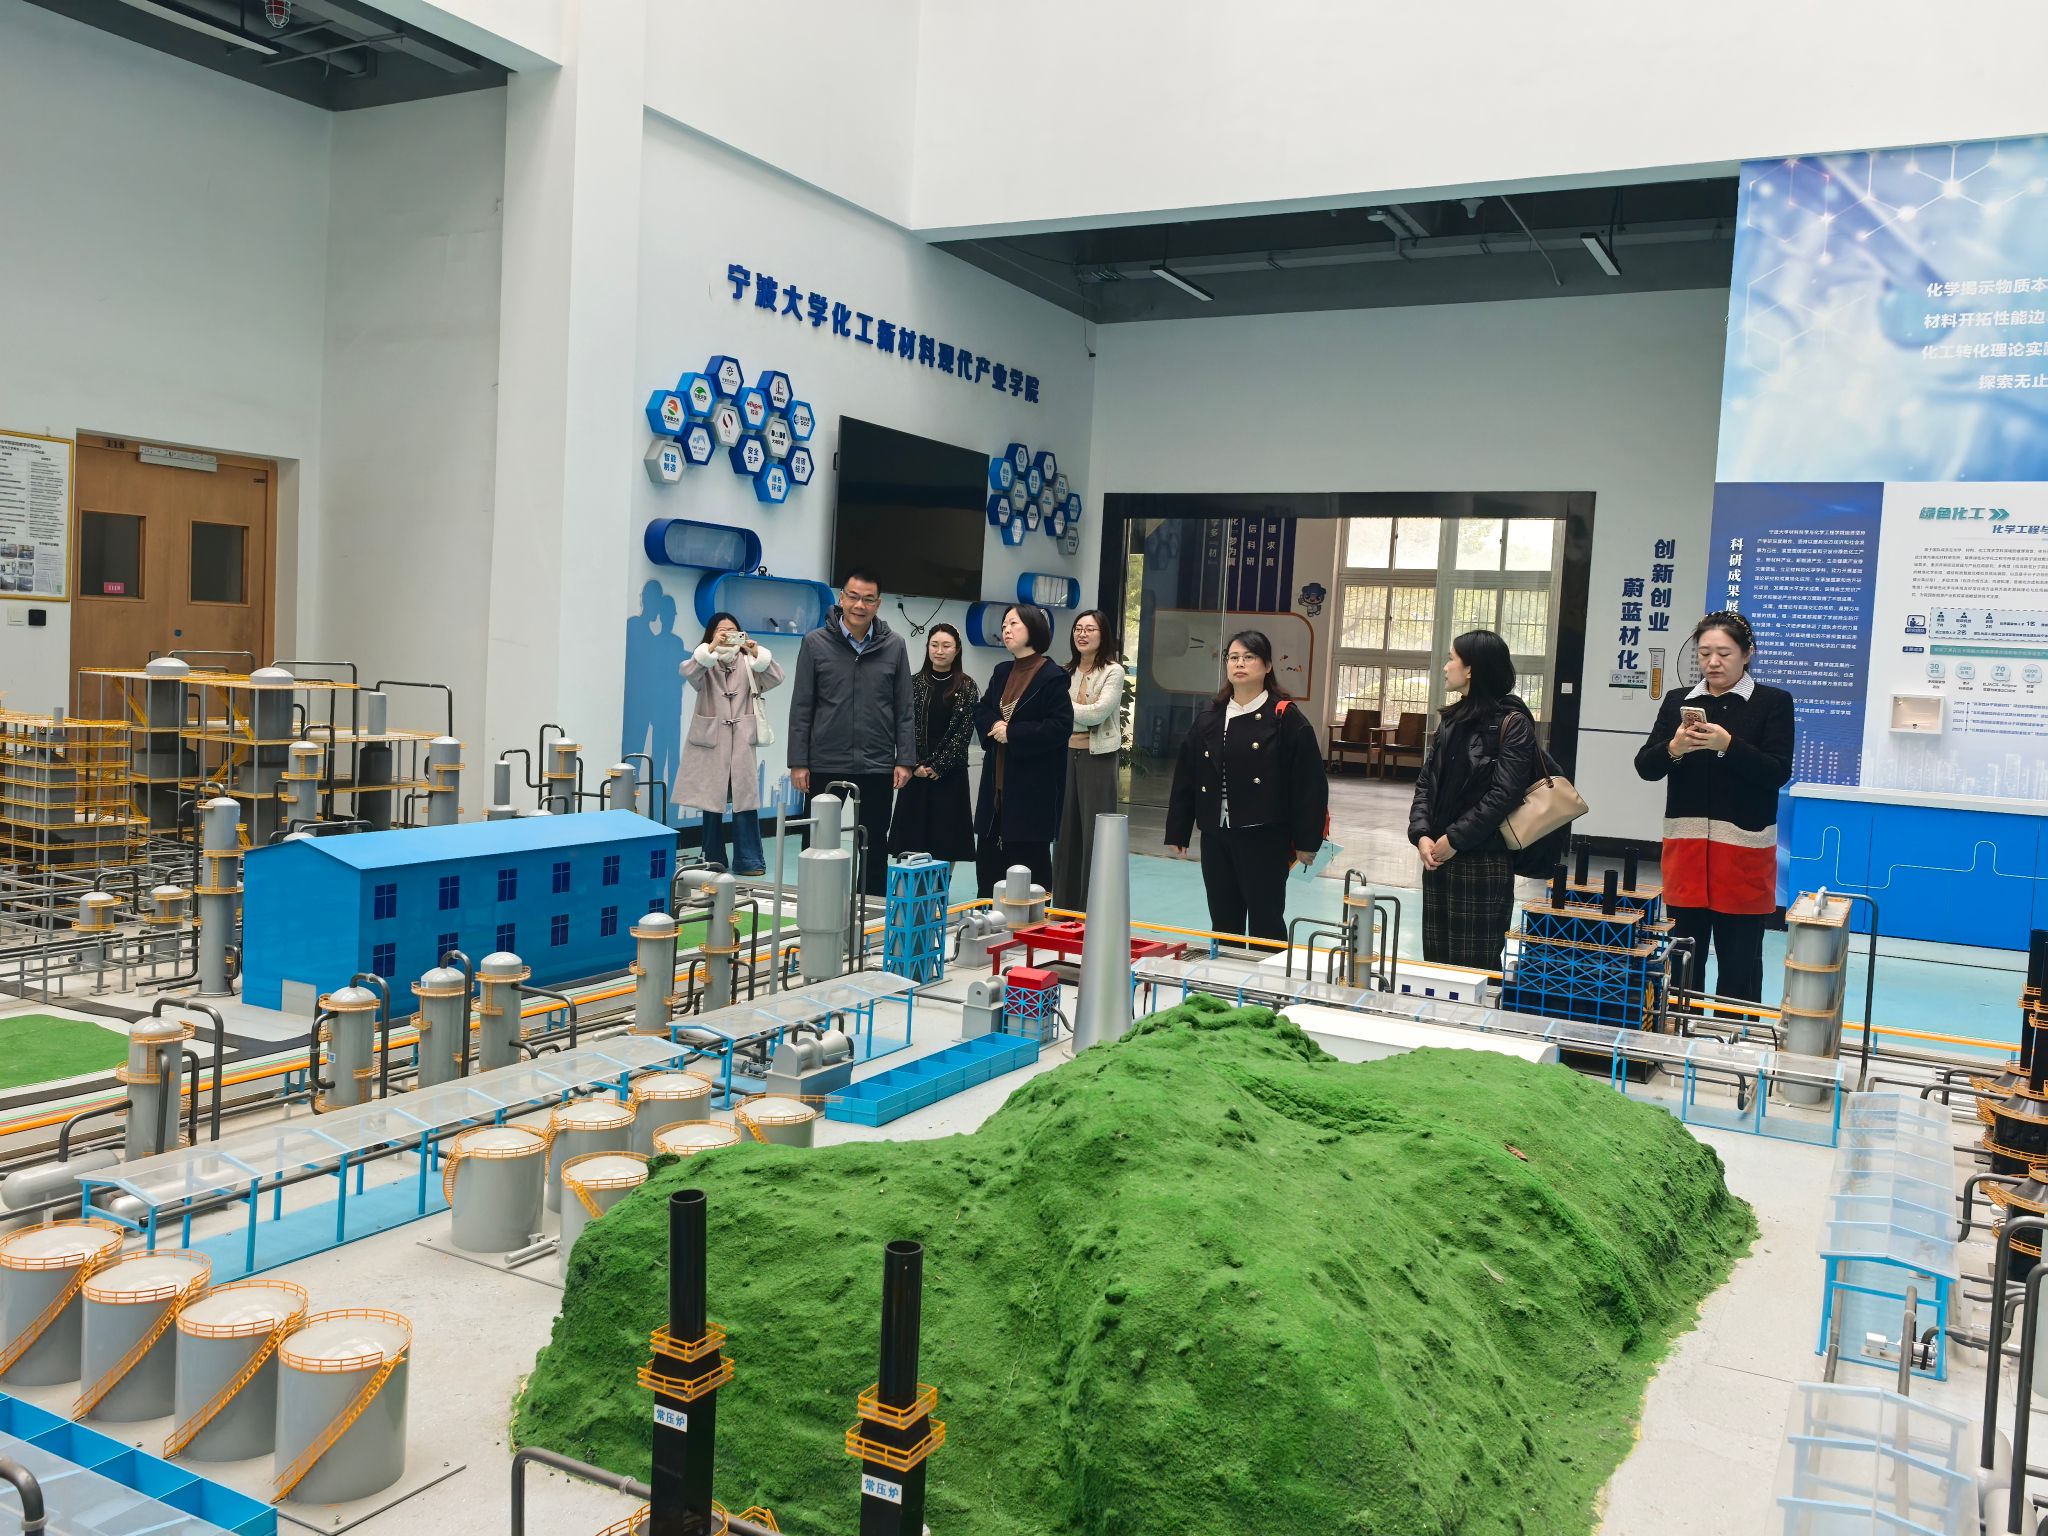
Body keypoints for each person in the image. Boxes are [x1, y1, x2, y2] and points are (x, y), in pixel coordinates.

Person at [1633, 610, 1796, 1002]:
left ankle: (1734, 1033)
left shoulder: (1772, 702)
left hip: (1742, 854)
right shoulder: (1678, 701)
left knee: (1740, 961)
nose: (1713, 662)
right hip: (1687, 851)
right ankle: (1680, 1028)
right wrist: (1674, 748)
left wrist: (1729, 746)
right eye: (1704, 653)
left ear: (1747, 653)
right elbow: (1645, 767)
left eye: (1724, 653)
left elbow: (1776, 772)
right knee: (1682, 956)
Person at [1164, 630, 1329, 943]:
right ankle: (1228, 973)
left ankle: (1269, 975)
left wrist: (1308, 840)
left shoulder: (1285, 717)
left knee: (1266, 920)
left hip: (1264, 835)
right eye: (1233, 657)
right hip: (1216, 834)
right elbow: (1187, 776)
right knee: (1223, 920)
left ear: (1267, 666)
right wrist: (1178, 830)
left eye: (1249, 657)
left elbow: (1309, 785)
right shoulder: (1210, 716)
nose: (1239, 664)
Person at [1407, 630, 1538, 970]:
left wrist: (1456, 839)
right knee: (1438, 963)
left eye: (1452, 658)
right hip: (1438, 856)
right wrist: (1421, 834)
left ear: (1471, 670)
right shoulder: (1451, 720)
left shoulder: (1513, 723)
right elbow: (1427, 781)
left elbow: (1504, 794)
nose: (1445, 666)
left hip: (1482, 862)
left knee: (1474, 968)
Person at [787, 568, 916, 900]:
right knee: (817, 839)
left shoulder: (895, 646)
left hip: (877, 762)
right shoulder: (815, 643)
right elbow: (802, 705)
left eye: (868, 599)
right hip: (825, 760)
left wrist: (905, 759)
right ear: (842, 598)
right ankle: (814, 903)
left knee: (873, 842)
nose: (860, 605)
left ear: (878, 604)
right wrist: (798, 762)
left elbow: (904, 707)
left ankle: (870, 908)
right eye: (854, 597)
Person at [973, 604, 1075, 897]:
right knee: (989, 874)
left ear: (1033, 628)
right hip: (995, 790)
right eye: (1004, 625)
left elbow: (1060, 726)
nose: (1006, 629)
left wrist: (1013, 733)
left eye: (1013, 624)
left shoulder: (1052, 676)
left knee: (1030, 876)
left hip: (1031, 792)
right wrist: (995, 725)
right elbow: (982, 709)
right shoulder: (1002, 671)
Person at [678, 613, 783, 876]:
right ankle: (712, 859)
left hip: (742, 739)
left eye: (732, 630)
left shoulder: (748, 662)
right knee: (711, 801)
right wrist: (711, 648)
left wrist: (755, 650)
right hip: (711, 740)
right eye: (721, 630)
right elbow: (689, 672)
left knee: (745, 800)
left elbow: (776, 676)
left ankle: (750, 861)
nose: (727, 634)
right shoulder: (705, 663)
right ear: (711, 634)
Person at [888, 623, 979, 874]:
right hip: (915, 775)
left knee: (946, 840)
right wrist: (915, 763)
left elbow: (964, 731)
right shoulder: (913, 682)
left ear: (957, 650)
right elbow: (903, 725)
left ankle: (940, 889)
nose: (939, 651)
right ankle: (911, 890)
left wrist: (939, 765)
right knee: (911, 837)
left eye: (946, 646)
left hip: (949, 776)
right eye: (934, 645)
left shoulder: (967, 686)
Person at [1052, 610, 1126, 909]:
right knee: (1064, 835)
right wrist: (1073, 712)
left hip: (1098, 758)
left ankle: (1091, 909)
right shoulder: (1063, 671)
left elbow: (1098, 714)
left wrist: (1064, 709)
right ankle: (1062, 908)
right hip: (1065, 755)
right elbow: (1057, 715)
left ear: (1102, 634)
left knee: (1095, 836)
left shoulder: (1113, 671)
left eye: (1090, 629)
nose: (1082, 634)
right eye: (1078, 629)